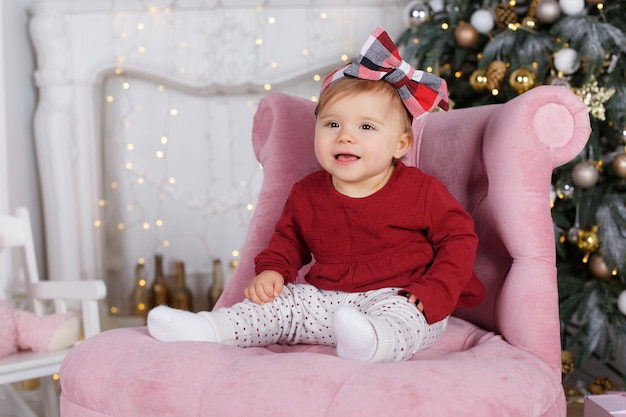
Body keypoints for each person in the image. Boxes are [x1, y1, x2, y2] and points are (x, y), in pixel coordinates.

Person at [147, 26, 485, 363]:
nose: (345, 137)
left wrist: (434, 291)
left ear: (400, 145)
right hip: (327, 302)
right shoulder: (307, 193)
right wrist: (273, 271)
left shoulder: (421, 191)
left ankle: (372, 343)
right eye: (332, 124)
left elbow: (458, 239)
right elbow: (288, 241)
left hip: (400, 294)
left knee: (406, 319)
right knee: (280, 305)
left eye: (366, 127)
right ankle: (209, 329)